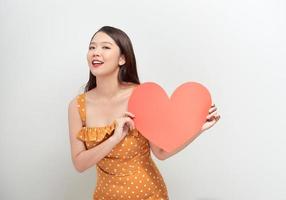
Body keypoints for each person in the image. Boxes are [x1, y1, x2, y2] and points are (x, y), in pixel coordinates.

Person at [68, 26, 220, 200]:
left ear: (122, 59)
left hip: (149, 194)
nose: (96, 52)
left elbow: (161, 153)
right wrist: (114, 139)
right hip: (104, 196)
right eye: (92, 47)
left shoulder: (140, 96)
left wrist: (197, 128)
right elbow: (79, 164)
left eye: (105, 47)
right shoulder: (77, 106)